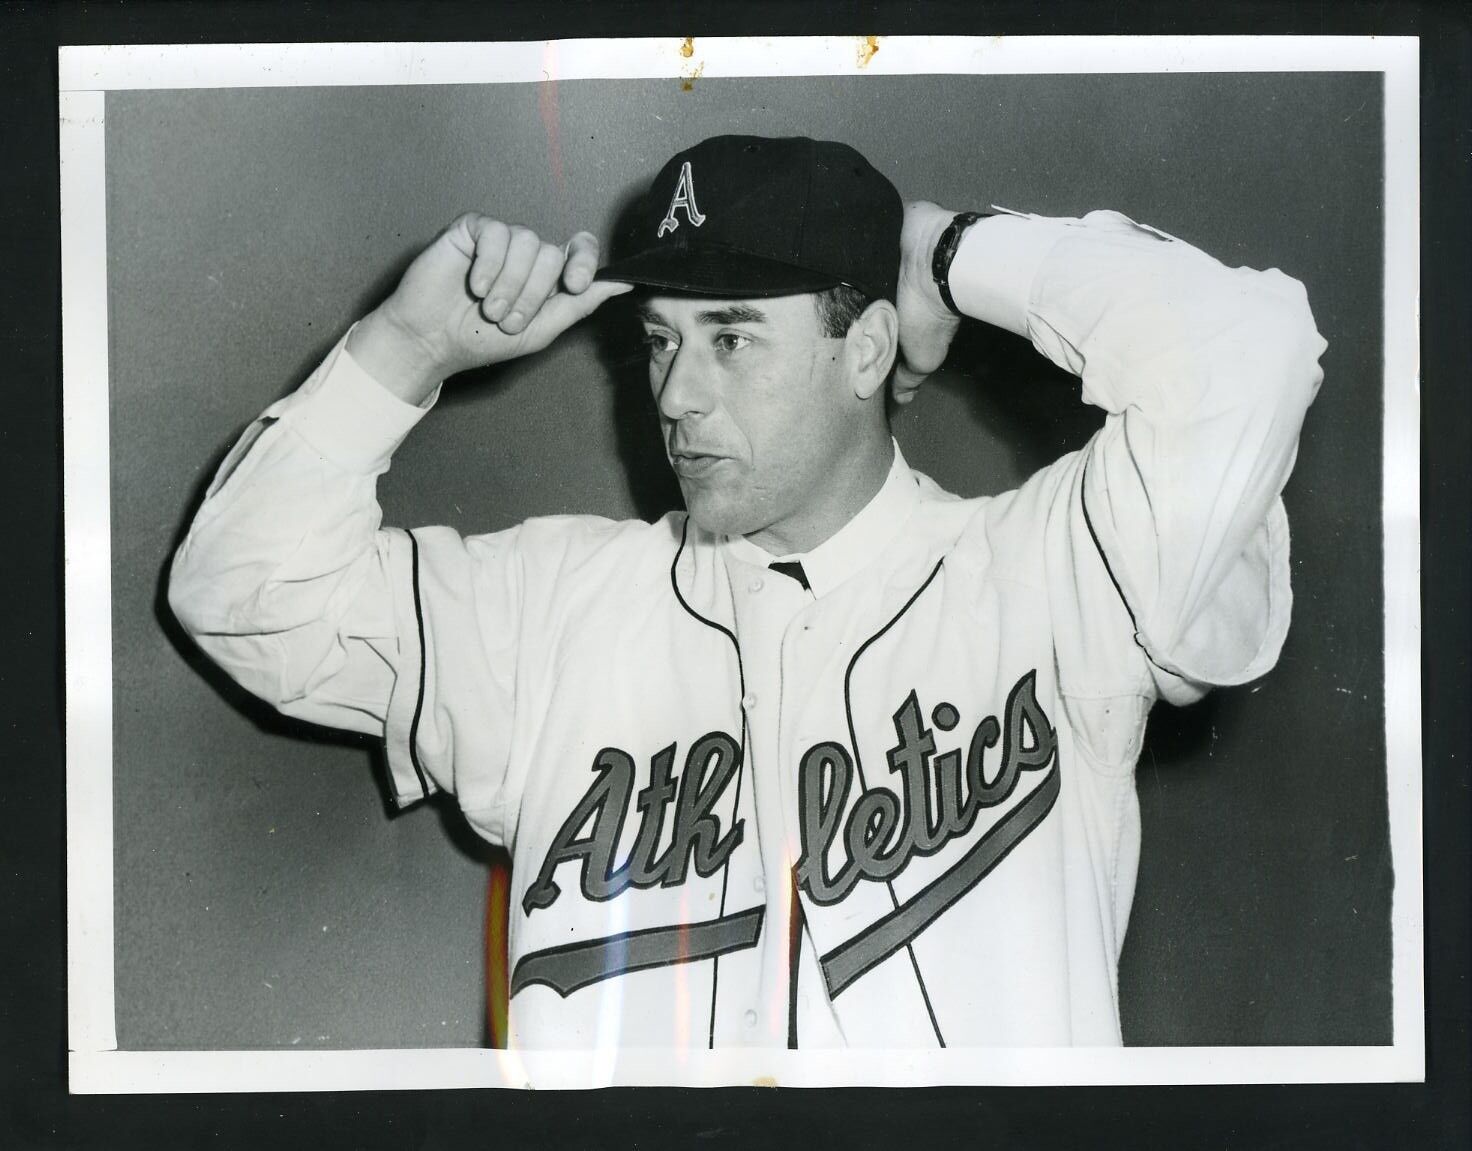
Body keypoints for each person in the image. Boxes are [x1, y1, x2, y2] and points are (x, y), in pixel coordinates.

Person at [168, 134, 1325, 1049]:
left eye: (730, 338)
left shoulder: (1054, 568)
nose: (674, 394)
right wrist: (401, 350)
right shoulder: (548, 609)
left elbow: (1252, 348)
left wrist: (952, 253)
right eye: (661, 340)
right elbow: (239, 591)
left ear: (865, 349)